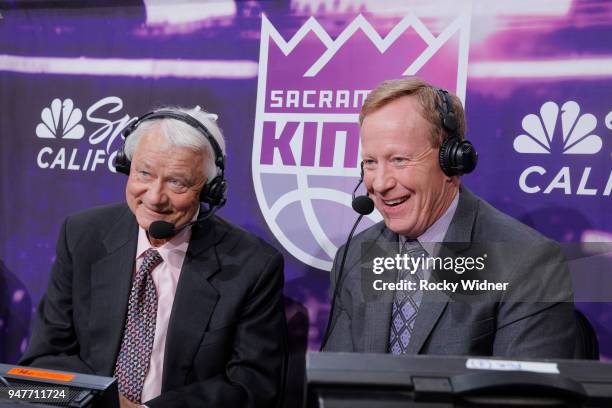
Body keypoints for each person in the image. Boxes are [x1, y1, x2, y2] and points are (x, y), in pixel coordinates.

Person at [20, 107, 287, 407]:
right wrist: (103, 403)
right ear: (127, 167)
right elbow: (44, 360)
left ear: (210, 190)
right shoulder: (82, 236)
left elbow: (252, 387)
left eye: (177, 182)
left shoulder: (252, 265)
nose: (155, 197)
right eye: (144, 173)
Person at [322, 77, 576, 358]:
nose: (380, 183)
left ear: (452, 161)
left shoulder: (526, 262)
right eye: (370, 162)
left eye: (399, 160)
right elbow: (340, 381)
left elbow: (525, 395)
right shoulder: (355, 256)